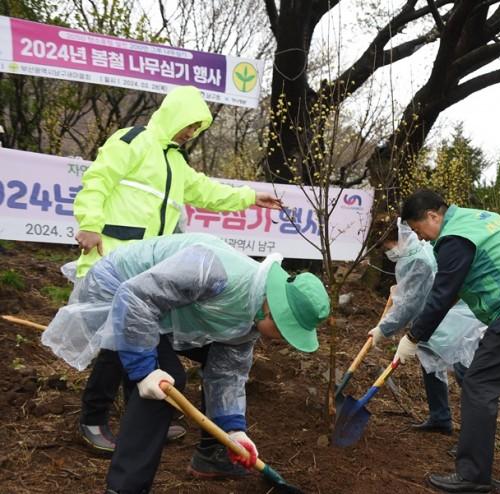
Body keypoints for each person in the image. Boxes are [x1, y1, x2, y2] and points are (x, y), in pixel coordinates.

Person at [71, 85, 283, 453]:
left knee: (145, 342)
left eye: (196, 128)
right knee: (114, 345)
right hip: (115, 259)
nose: (190, 133)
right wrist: (89, 222)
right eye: (189, 124)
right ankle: (92, 420)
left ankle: (146, 420)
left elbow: (206, 192)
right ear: (174, 114)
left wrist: (249, 197)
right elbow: (98, 178)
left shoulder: (176, 163)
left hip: (156, 267)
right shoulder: (133, 140)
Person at [42, 233, 330, 493]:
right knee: (166, 383)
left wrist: (233, 430)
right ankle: (124, 487)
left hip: (166, 311)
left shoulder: (253, 315)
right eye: (284, 331)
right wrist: (145, 370)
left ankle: (211, 455)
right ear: (274, 310)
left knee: (196, 365)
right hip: (119, 290)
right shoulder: (212, 270)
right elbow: (135, 297)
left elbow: (227, 371)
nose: (282, 340)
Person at [393, 190, 500, 494]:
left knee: (478, 386)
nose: (422, 239)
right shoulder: (482, 219)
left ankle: (472, 475)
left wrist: (413, 337)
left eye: (419, 231)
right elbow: (458, 286)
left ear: (434, 216)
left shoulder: (453, 237)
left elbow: (443, 294)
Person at [367, 219, 483, 434]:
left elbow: (411, 303)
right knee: (431, 364)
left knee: (465, 372)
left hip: (454, 322)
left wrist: (384, 329)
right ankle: (440, 418)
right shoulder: (415, 250)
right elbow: (411, 294)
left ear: (397, 239)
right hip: (437, 319)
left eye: (387, 247)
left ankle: (473, 438)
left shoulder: (417, 258)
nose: (387, 253)